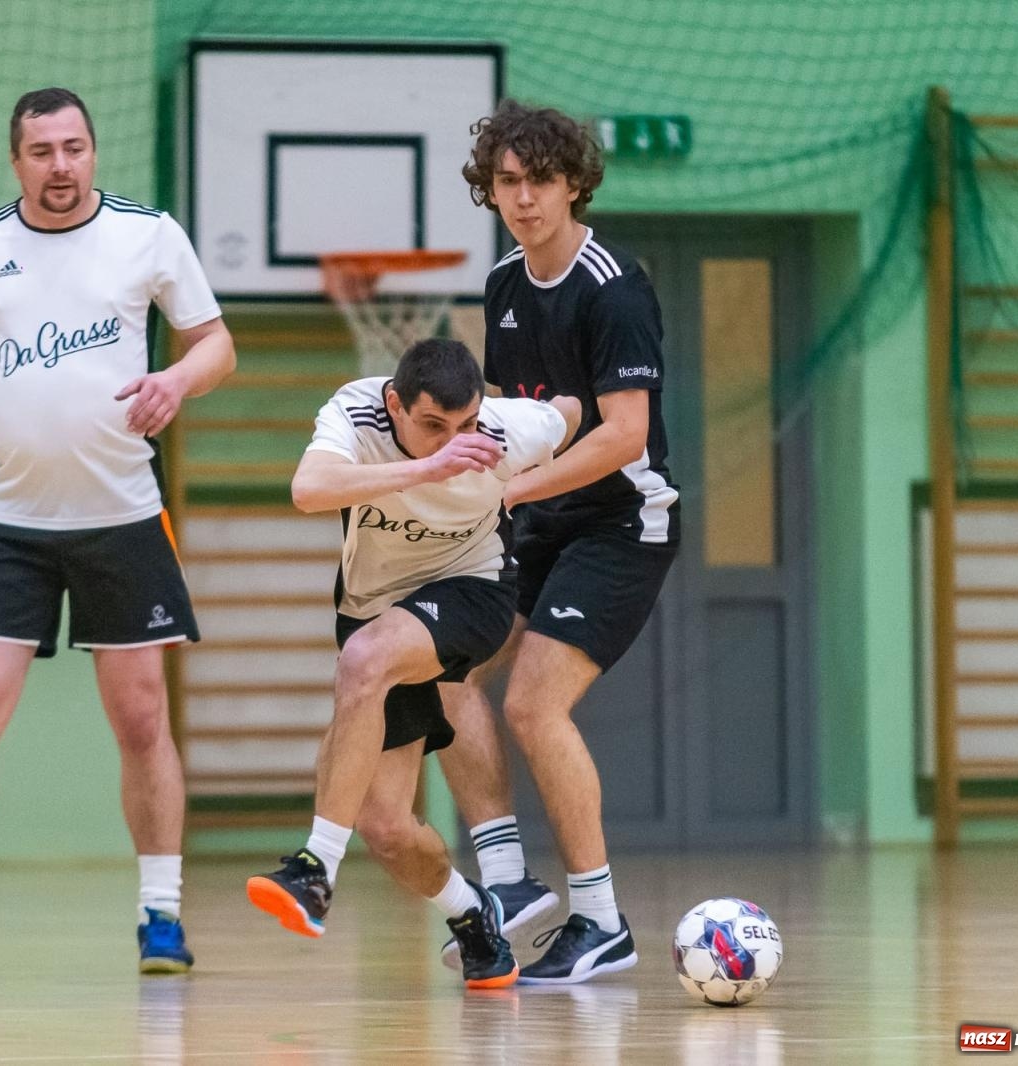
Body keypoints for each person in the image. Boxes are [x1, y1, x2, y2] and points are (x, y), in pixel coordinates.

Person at [0, 87, 235, 975]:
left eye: (73, 148)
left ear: (93, 152)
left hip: (124, 518)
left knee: (142, 720)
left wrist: (178, 383)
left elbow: (216, 344)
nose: (60, 166)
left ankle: (162, 918)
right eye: (41, 152)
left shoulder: (149, 236)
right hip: (10, 522)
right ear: (15, 160)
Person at [245, 338, 581, 990]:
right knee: (388, 827)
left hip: (473, 591)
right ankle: (472, 915)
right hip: (377, 605)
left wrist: (532, 488)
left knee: (363, 659)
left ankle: (315, 868)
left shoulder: (511, 428)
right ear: (395, 404)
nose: (455, 440)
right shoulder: (358, 412)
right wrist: (428, 469)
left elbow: (575, 409)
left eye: (465, 426)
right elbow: (308, 488)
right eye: (433, 425)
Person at [434, 99, 681, 985]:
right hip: (539, 516)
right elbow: (516, 421)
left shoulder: (613, 288)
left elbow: (621, 435)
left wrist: (516, 488)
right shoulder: (503, 285)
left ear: (575, 183)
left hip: (623, 520)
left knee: (535, 705)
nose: (524, 198)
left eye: (541, 180)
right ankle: (505, 878)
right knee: (444, 668)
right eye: (507, 181)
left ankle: (601, 919)